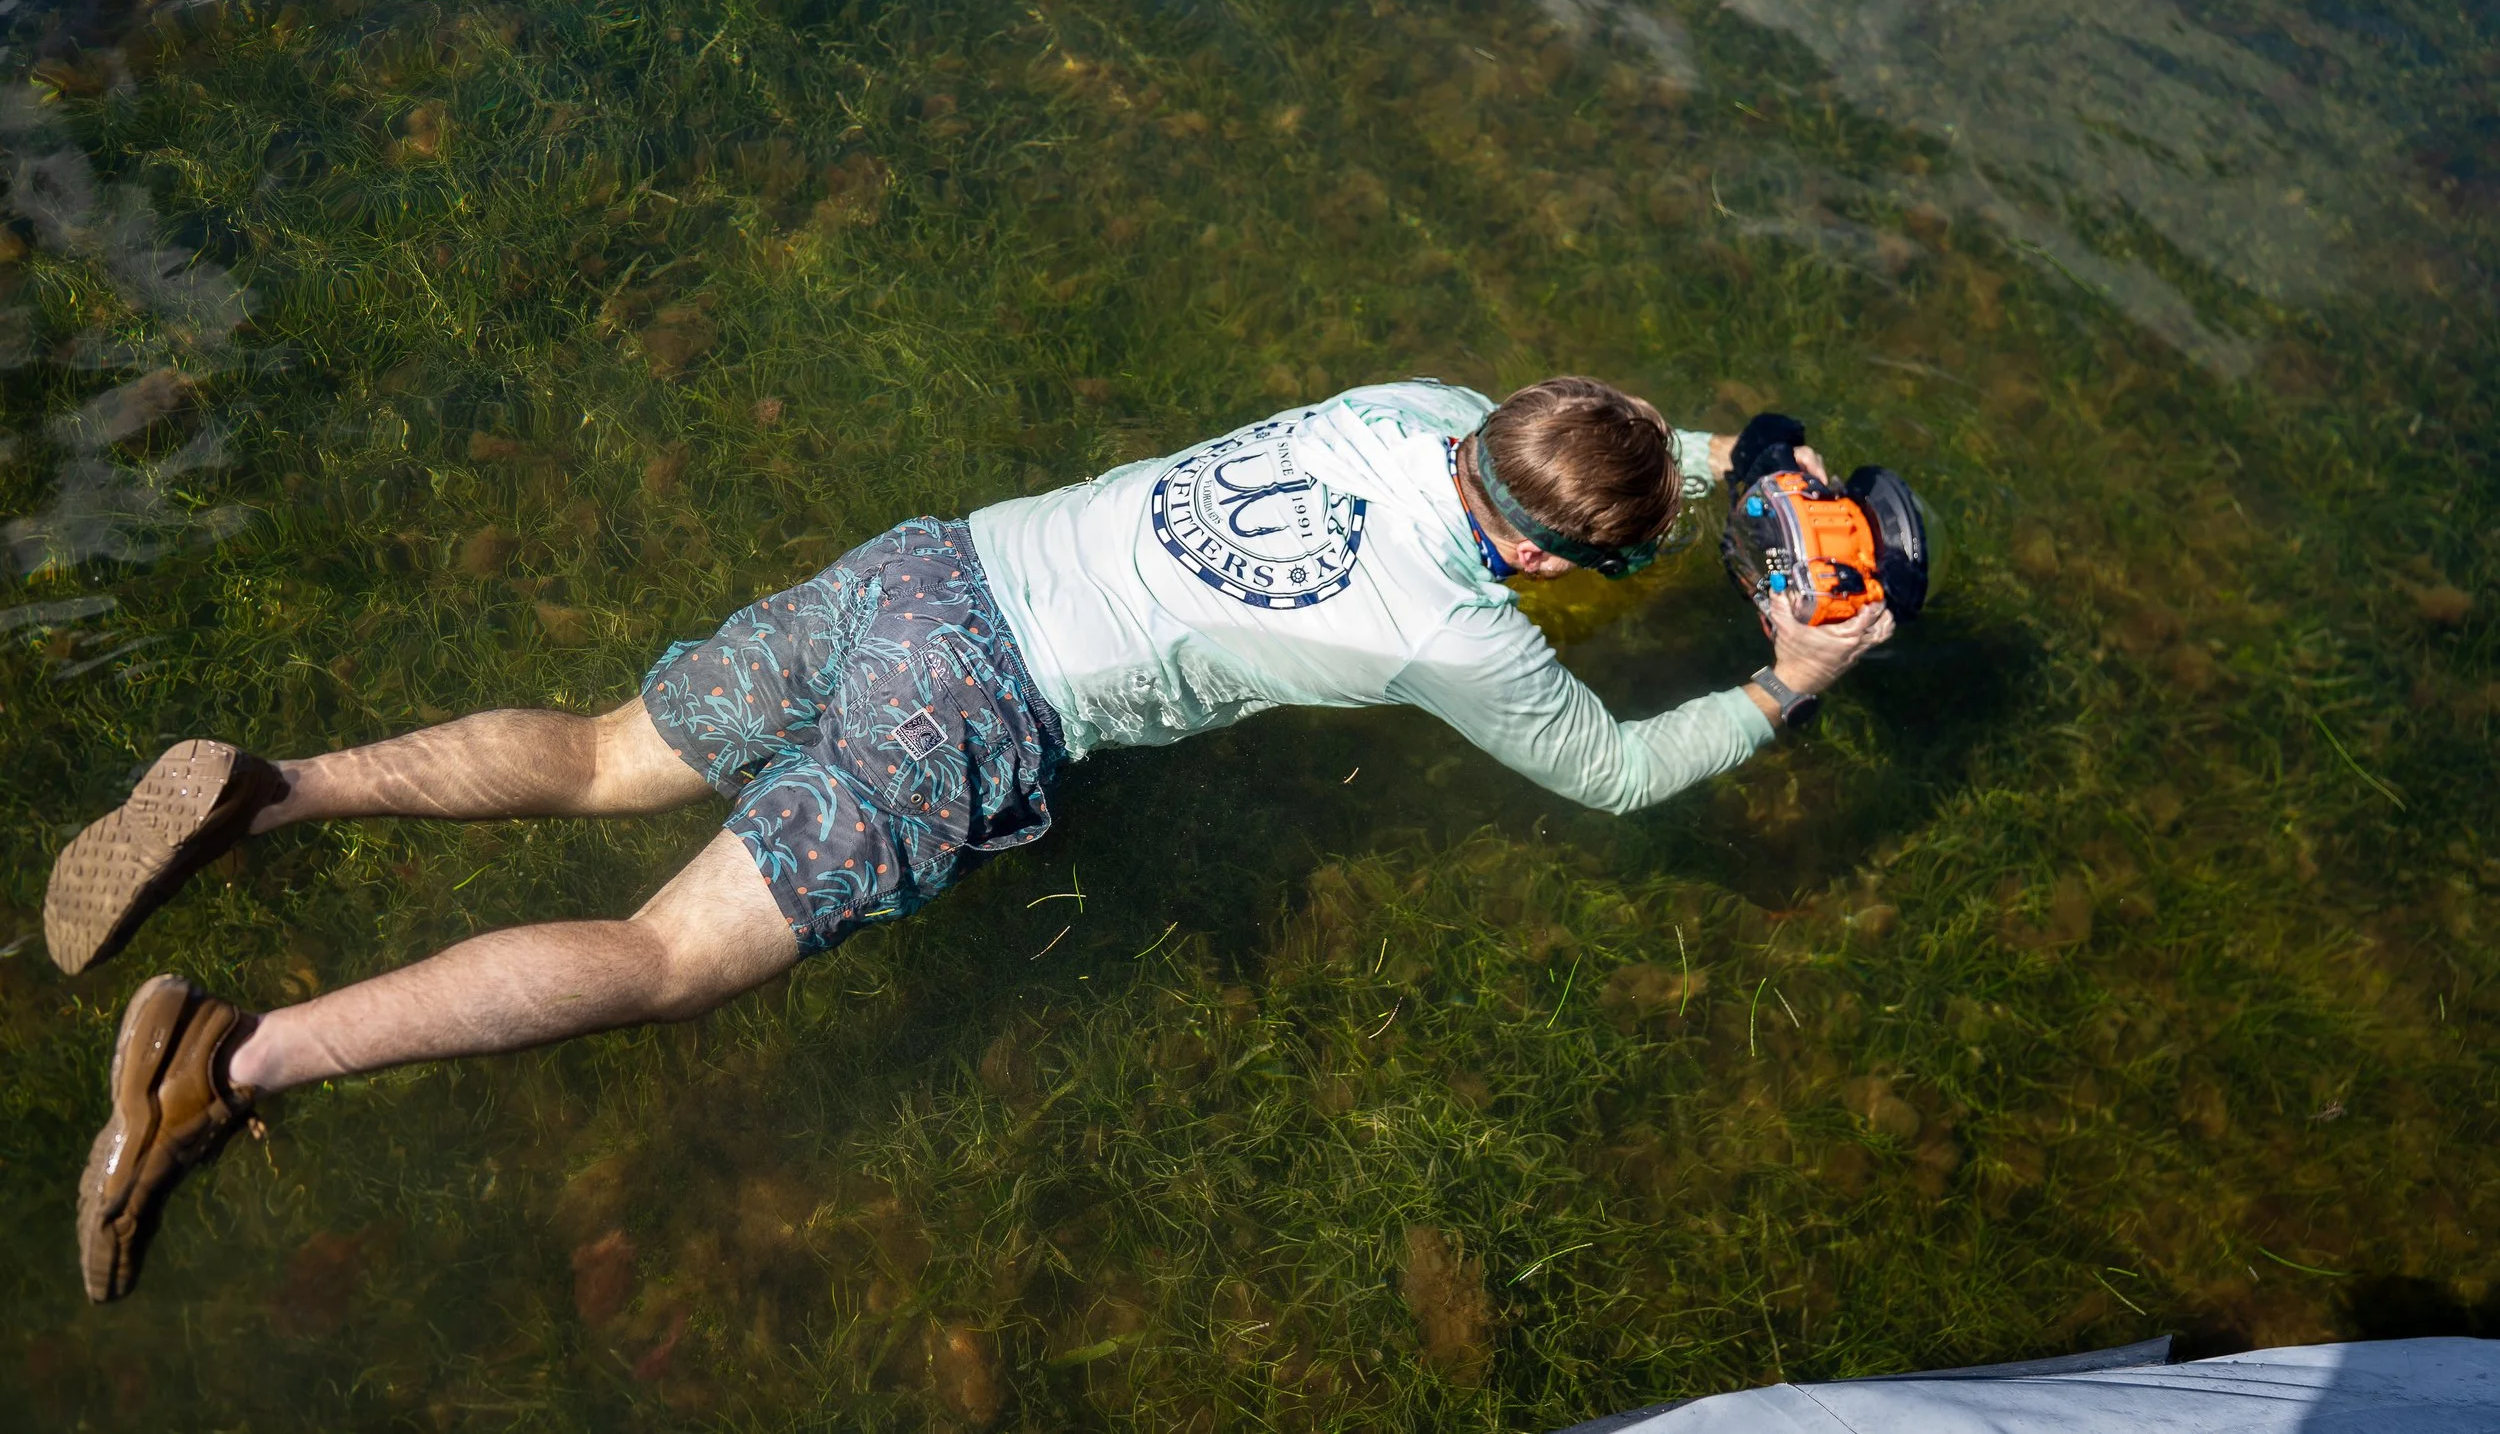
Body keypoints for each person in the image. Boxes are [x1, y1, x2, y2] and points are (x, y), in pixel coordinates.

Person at [49, 377, 1892, 1302]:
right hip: (979, 708)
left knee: (615, 751)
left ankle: (273, 792)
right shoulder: (1457, 632)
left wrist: (1746, 460)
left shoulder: (1417, 407)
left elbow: (1601, 435)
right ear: (1557, 559)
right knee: (666, 956)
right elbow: (1621, 774)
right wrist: (1788, 684)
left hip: (937, 564)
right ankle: (232, 1061)